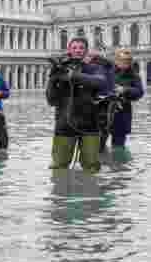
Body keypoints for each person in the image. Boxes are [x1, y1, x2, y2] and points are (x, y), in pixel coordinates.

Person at [46, 37, 115, 173]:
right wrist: (53, 79)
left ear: (86, 51)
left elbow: (101, 82)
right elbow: (51, 100)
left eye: (81, 48)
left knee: (91, 167)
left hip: (90, 124)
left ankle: (90, 192)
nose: (78, 50)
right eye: (74, 47)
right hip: (64, 124)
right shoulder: (60, 71)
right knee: (59, 166)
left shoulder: (95, 68)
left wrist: (74, 76)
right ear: (69, 50)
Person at [100, 48, 144, 152]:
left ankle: (118, 166)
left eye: (127, 60)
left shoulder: (134, 76)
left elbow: (139, 92)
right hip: (104, 114)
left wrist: (124, 90)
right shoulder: (107, 72)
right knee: (99, 146)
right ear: (116, 60)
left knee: (118, 147)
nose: (125, 63)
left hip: (122, 115)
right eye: (122, 60)